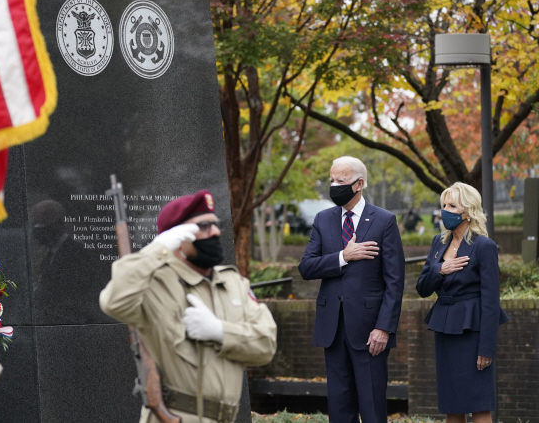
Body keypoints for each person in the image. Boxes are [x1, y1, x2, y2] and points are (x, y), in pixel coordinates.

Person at [99, 190, 277, 423]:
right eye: (203, 226)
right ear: (177, 237)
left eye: (216, 224)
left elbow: (266, 345)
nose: (214, 232)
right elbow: (114, 301)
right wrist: (157, 249)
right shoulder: (155, 283)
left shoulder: (233, 283)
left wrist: (220, 332)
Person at [298, 156, 405, 423]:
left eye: (340, 181)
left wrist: (384, 327)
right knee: (339, 407)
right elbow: (306, 268)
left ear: (359, 184)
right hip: (332, 329)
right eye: (331, 180)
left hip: (370, 331)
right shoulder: (323, 220)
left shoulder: (384, 221)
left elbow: (395, 281)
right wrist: (344, 256)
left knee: (371, 407)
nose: (334, 186)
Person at [416, 182, 509, 423]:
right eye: (444, 205)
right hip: (445, 331)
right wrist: (441, 269)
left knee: (479, 406)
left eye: (452, 205)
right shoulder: (439, 243)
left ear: (467, 211)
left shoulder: (484, 246)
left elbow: (490, 301)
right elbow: (423, 288)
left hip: (473, 333)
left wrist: (486, 348)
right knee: (452, 405)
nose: (445, 210)